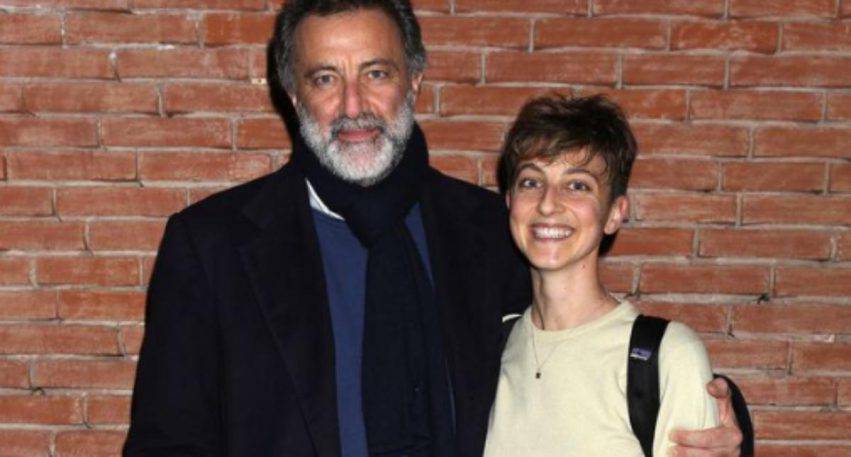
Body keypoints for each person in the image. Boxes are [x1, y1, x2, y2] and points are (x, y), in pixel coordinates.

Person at [123, 1, 747, 456]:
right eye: (325, 78)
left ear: (414, 79)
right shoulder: (212, 247)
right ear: (292, 93)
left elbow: (581, 350)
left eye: (376, 73)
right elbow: (167, 443)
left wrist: (716, 412)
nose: (353, 107)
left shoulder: (492, 231)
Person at [484, 94, 728, 456]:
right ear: (509, 203)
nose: (548, 204)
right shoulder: (488, 348)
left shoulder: (669, 355)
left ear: (615, 213)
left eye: (577, 185)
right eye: (531, 182)